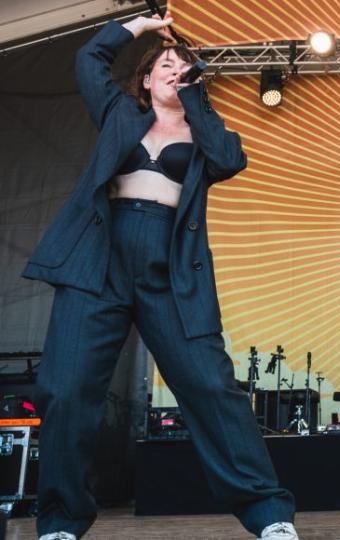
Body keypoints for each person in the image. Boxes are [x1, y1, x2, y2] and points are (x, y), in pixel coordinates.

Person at [22, 14, 298, 540]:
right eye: (163, 66)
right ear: (145, 81)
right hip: (98, 259)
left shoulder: (204, 134)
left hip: (169, 269)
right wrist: (143, 26)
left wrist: (195, 100)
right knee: (66, 390)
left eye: (182, 67)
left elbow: (228, 159)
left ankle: (270, 516)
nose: (173, 70)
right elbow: (90, 60)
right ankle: (60, 521)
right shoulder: (119, 113)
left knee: (213, 389)